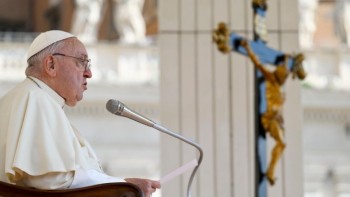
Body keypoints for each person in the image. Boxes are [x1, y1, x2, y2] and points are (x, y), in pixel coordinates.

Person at [0, 30, 160, 197]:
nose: (89, 73)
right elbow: (51, 180)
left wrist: (120, 184)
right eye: (81, 62)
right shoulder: (36, 99)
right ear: (51, 65)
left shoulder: (29, 98)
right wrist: (122, 186)